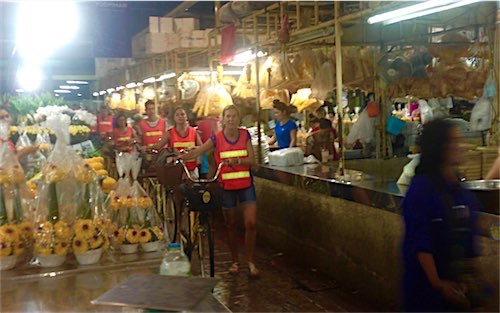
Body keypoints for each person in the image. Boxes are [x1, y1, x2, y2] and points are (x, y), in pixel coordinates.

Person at [402, 119, 480, 312]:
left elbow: (470, 228)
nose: (462, 146)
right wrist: (438, 283)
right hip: (427, 288)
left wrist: (469, 278)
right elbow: (420, 241)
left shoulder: (457, 186)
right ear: (440, 148)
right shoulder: (421, 188)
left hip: (456, 282)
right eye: (455, 142)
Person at [179, 105, 259, 277]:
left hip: (246, 185)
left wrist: (236, 160)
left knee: (251, 223)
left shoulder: (245, 134)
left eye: (234, 116)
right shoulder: (216, 138)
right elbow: (199, 150)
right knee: (230, 225)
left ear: (239, 118)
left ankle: (250, 261)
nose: (231, 119)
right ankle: (235, 261)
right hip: (227, 188)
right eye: (228, 116)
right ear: (223, 119)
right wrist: (179, 157)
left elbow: (252, 160)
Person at [154, 107, 202, 178]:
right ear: (174, 118)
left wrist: (194, 149)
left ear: (186, 116)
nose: (180, 117)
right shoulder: (169, 133)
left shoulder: (194, 132)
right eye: (177, 115)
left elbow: (202, 148)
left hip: (191, 170)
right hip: (175, 170)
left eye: (182, 114)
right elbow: (158, 146)